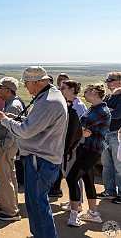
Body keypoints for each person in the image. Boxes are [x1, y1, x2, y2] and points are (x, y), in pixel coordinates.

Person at [0, 66, 67, 238]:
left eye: (26, 83)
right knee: (35, 202)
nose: (25, 87)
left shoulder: (48, 101)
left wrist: (3, 120)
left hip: (40, 159)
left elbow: (26, 131)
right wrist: (17, 119)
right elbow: (37, 124)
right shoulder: (50, 96)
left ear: (37, 82)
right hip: (43, 157)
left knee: (37, 203)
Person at [66, 82, 111, 227]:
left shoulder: (101, 111)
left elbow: (81, 122)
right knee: (88, 180)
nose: (84, 94)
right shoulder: (95, 109)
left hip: (91, 151)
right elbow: (82, 124)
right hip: (88, 149)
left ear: (95, 93)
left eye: (87, 91)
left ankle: (74, 215)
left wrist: (80, 128)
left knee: (72, 178)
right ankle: (93, 213)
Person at [0, 77, 24, 221]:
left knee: (4, 178)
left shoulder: (13, 106)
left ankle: (10, 211)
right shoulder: (13, 103)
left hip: (6, 147)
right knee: (9, 176)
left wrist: (4, 146)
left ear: (7, 90)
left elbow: (14, 129)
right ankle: (11, 206)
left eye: (0, 88)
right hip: (7, 146)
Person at [57, 80, 88, 211]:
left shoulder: (78, 106)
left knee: (73, 174)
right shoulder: (69, 104)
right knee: (68, 172)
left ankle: (78, 202)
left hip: (76, 145)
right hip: (69, 144)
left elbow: (83, 127)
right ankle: (73, 200)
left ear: (72, 89)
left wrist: (76, 144)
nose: (61, 90)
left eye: (63, 88)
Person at [97, 72, 121, 204]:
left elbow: (117, 115)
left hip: (117, 135)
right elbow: (99, 112)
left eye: (111, 80)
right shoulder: (108, 97)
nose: (108, 82)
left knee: (119, 166)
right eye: (107, 80)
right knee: (107, 165)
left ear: (119, 82)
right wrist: (109, 111)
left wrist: (108, 112)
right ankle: (110, 191)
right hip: (105, 134)